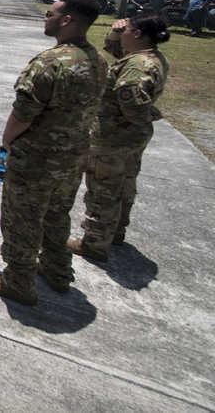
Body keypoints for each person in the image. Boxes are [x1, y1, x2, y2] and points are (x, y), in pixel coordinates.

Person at [0, 0, 107, 305]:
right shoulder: (98, 59)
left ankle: (19, 281)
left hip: (38, 159)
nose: (45, 18)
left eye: (51, 14)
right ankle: (58, 270)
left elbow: (23, 113)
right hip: (73, 155)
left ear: (67, 20)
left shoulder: (50, 63)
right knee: (58, 214)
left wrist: (6, 143)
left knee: (23, 218)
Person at [69, 13, 170, 261]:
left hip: (114, 137)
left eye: (127, 29)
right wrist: (115, 31)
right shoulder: (146, 56)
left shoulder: (136, 65)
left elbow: (134, 104)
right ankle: (115, 231)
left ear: (137, 35)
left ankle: (94, 242)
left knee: (103, 189)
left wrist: (148, 114)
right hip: (131, 137)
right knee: (124, 184)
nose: (121, 32)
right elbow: (112, 46)